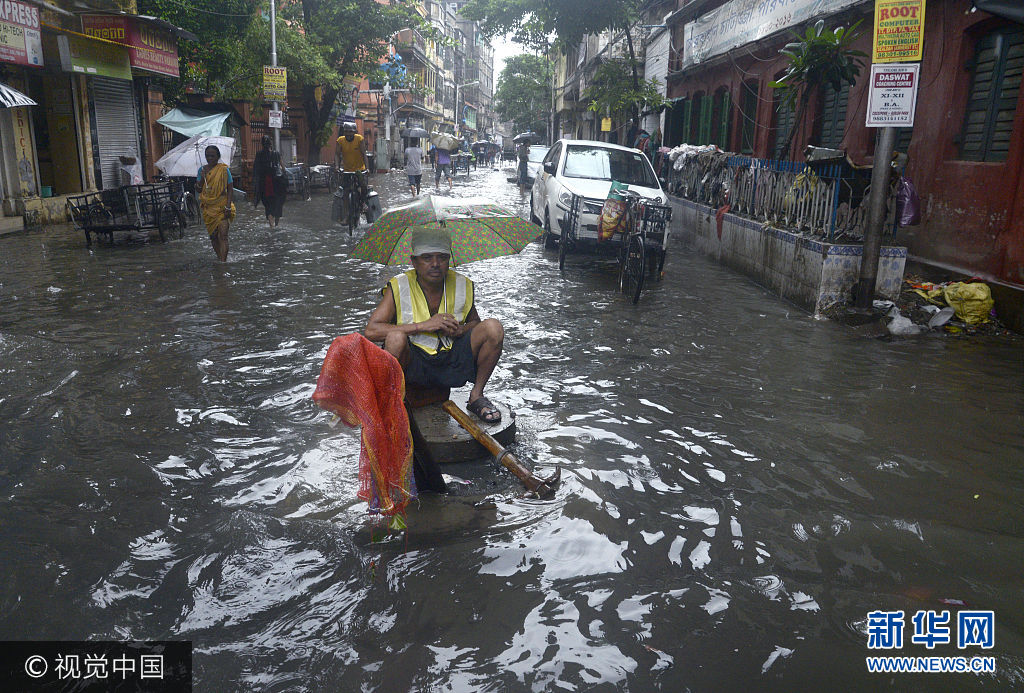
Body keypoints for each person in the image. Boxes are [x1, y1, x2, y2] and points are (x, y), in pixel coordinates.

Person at [365, 228, 504, 423]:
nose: (435, 264)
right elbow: (372, 330)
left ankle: (476, 396)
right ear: (414, 262)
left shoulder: (461, 283)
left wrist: (461, 330)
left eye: (442, 257)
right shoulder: (400, 285)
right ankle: (393, 403)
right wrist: (424, 325)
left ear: (449, 259)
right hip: (415, 361)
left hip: (451, 358)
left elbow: (476, 323)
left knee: (493, 328)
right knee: (395, 338)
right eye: (427, 258)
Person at [197, 145, 235, 262]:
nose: (210, 158)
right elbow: (199, 189)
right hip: (208, 208)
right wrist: (202, 178)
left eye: (212, 156)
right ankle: (220, 258)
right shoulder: (201, 170)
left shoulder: (224, 170)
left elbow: (230, 189)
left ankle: (223, 263)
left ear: (218, 157)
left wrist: (228, 206)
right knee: (213, 237)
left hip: (222, 207)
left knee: (223, 235)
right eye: (207, 156)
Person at [251, 135, 286, 227]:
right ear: (271, 143)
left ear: (262, 144)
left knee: (268, 204)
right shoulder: (276, 154)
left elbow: (255, 169)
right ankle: (277, 224)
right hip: (277, 183)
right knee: (278, 203)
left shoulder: (259, 154)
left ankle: (271, 225)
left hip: (264, 183)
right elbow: (283, 168)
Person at [335, 121, 369, 207]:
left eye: (350, 131)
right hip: (347, 170)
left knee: (363, 186)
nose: (348, 133)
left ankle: (363, 203)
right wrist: (337, 166)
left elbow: (364, 154)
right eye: (346, 131)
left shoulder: (359, 139)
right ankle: (346, 211)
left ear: (354, 132)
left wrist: (367, 168)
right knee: (345, 190)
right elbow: (337, 155)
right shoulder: (340, 140)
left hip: (359, 169)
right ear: (344, 132)